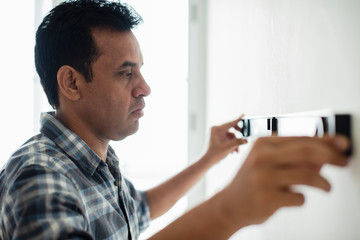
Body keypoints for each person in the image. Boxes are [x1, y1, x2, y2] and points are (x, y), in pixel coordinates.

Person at [0, 0, 350, 239]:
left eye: (140, 71)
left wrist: (209, 157)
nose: (144, 88)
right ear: (72, 83)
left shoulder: (93, 163)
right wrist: (229, 209)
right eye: (126, 73)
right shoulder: (40, 175)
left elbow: (144, 208)